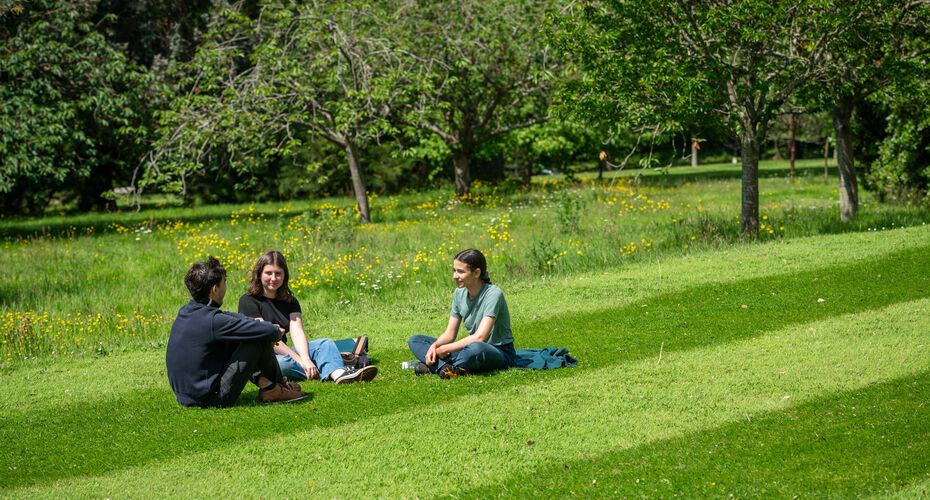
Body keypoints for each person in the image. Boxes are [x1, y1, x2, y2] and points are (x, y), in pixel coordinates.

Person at [166, 256, 308, 407]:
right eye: (224, 284)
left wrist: (264, 328)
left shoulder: (187, 311)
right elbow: (266, 331)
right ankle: (279, 387)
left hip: (187, 397)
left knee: (243, 335)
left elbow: (232, 317)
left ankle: (270, 387)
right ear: (214, 289)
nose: (225, 288)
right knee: (258, 337)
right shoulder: (214, 321)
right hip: (210, 399)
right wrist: (273, 330)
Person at [238, 250, 377, 384]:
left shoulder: (290, 301)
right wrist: (301, 361)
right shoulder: (248, 301)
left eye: (278, 274)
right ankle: (325, 368)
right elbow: (269, 338)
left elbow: (297, 331)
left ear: (284, 275)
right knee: (283, 364)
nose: (273, 278)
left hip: (287, 352)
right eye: (268, 273)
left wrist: (305, 358)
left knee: (325, 344)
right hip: (267, 357)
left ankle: (339, 375)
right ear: (259, 274)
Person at [408, 248, 516, 378]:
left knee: (475, 348)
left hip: (497, 351)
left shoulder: (493, 294)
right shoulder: (459, 293)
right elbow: (449, 334)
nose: (455, 276)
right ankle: (446, 368)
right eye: (454, 270)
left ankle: (437, 366)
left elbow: (480, 338)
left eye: (460, 271)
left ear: (476, 273)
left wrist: (444, 349)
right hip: (470, 349)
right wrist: (435, 346)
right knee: (416, 340)